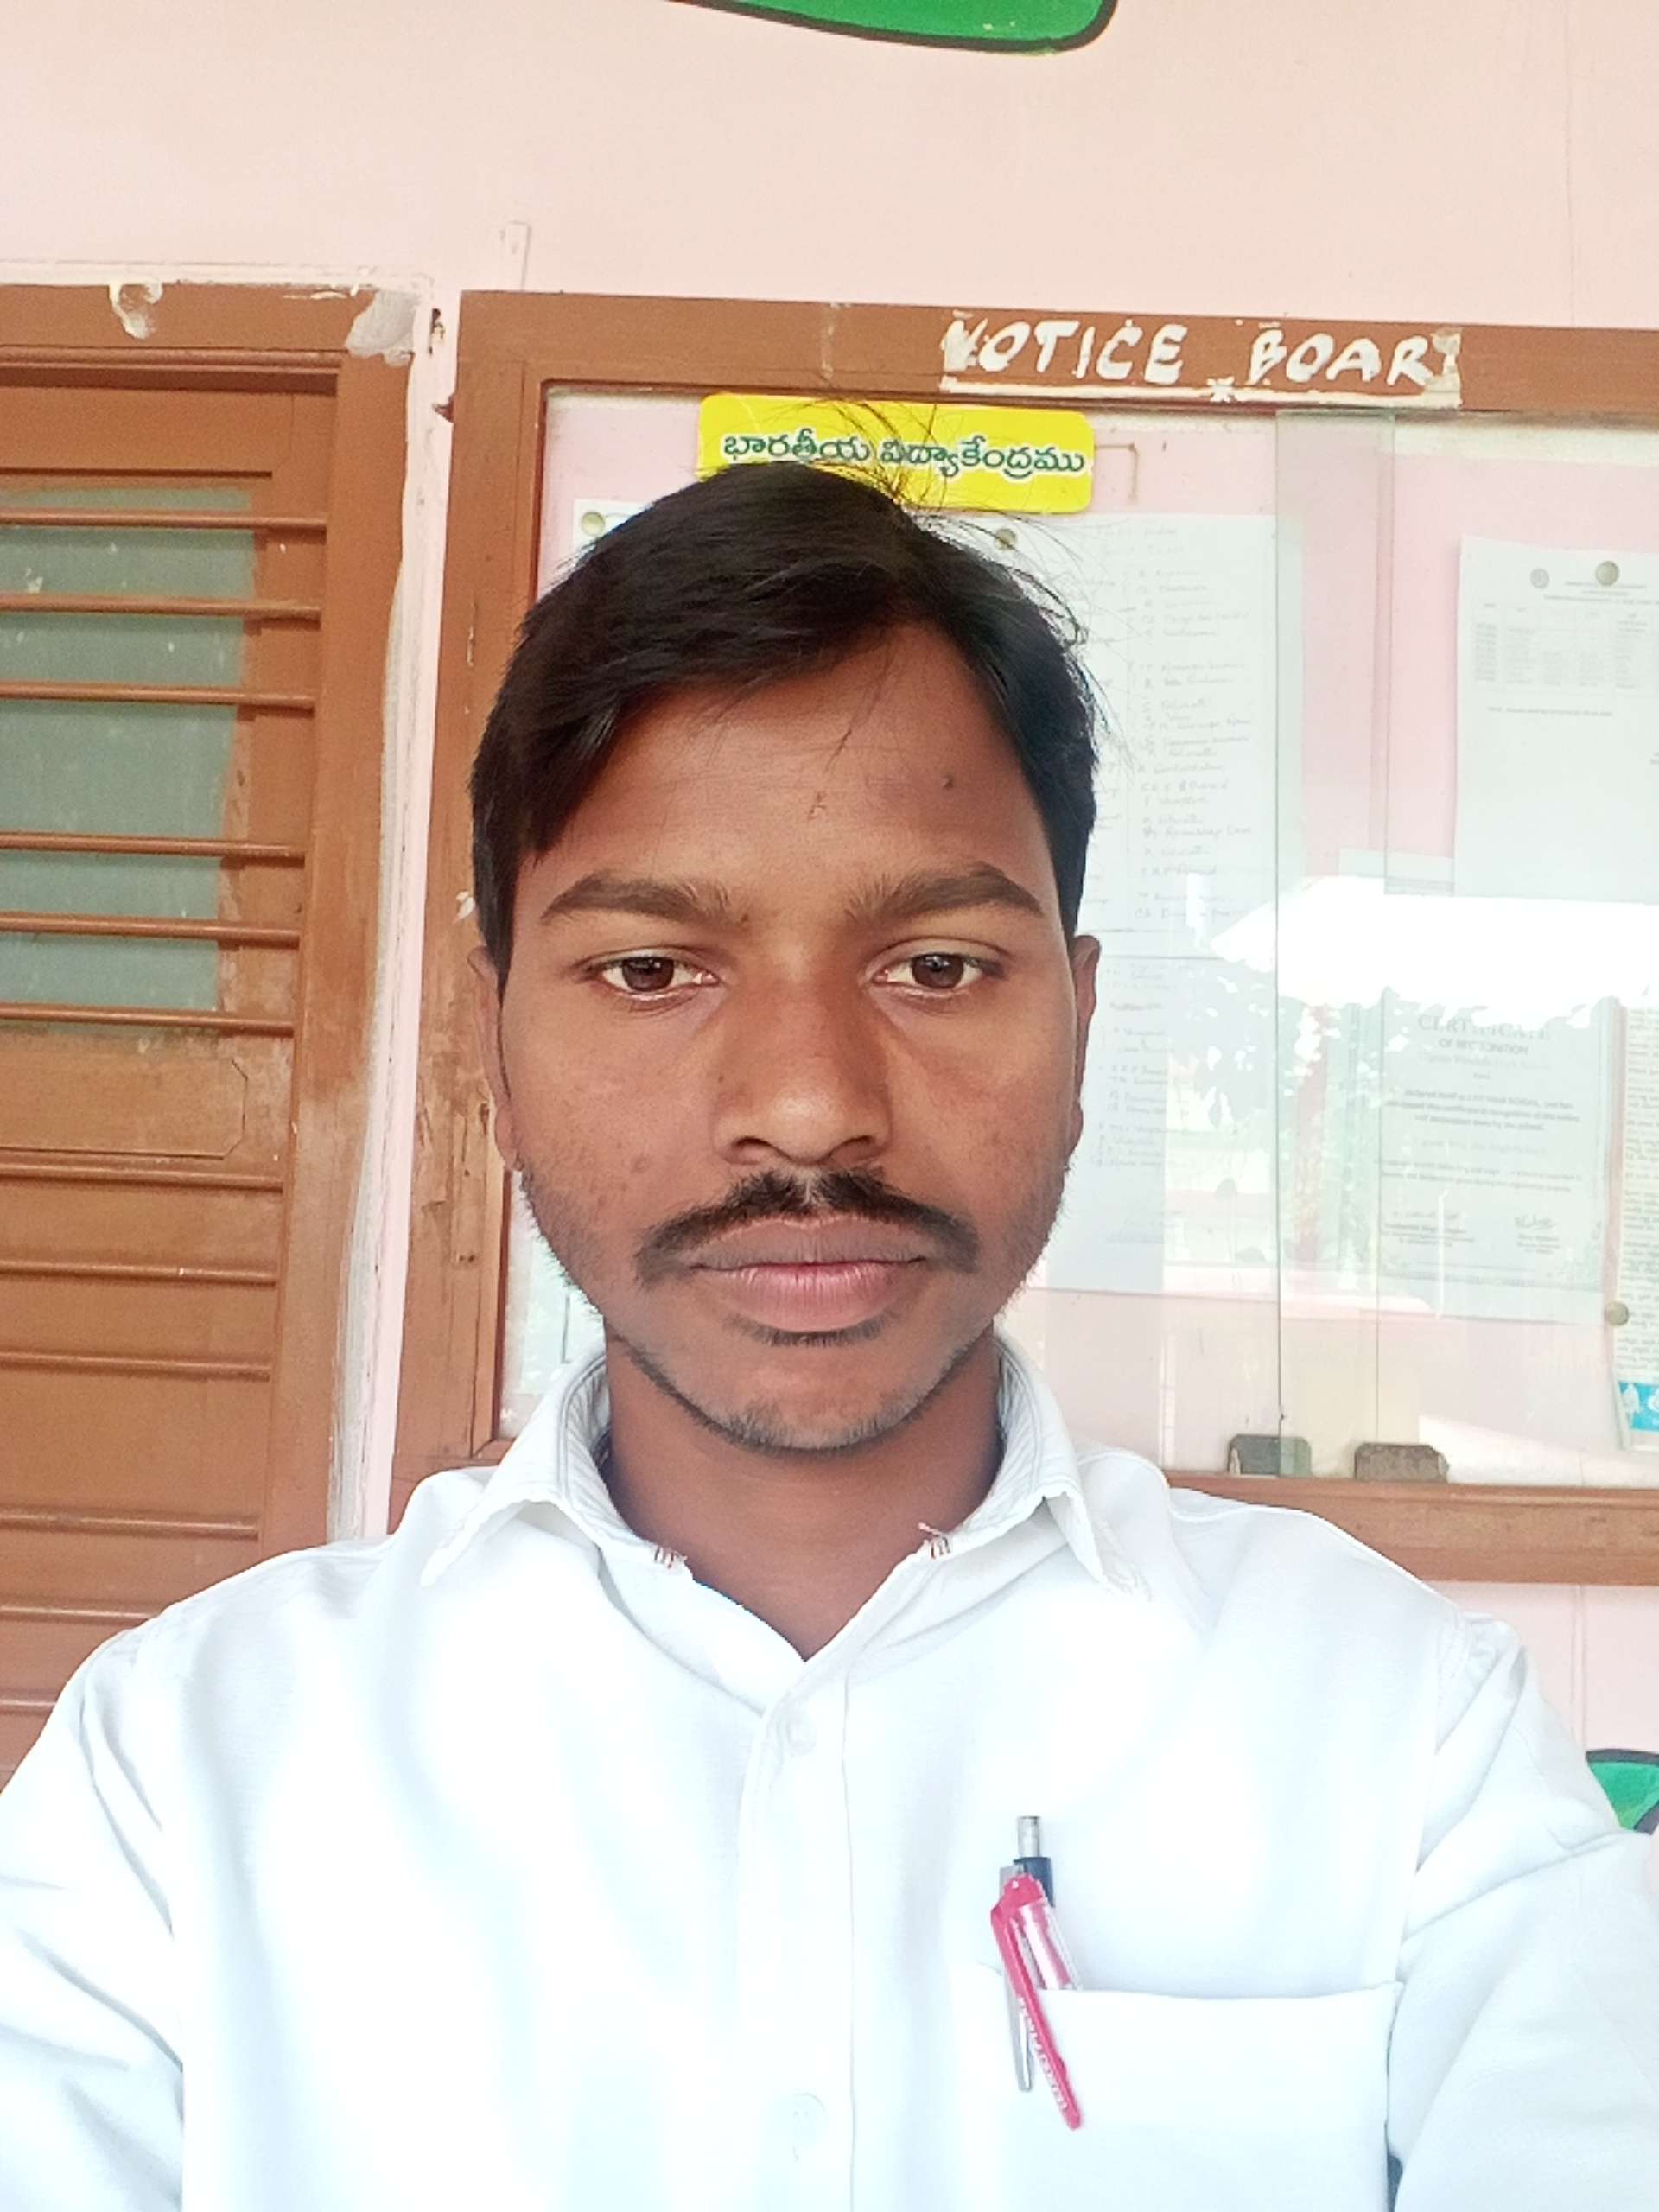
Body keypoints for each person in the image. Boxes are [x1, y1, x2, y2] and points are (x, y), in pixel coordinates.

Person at [1, 462, 1656, 2211]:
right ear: (492, 1040)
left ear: (1081, 1020)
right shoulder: (181, 1779)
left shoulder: (1406, 1738)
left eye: (935, 966)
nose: (806, 1108)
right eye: (652, 970)